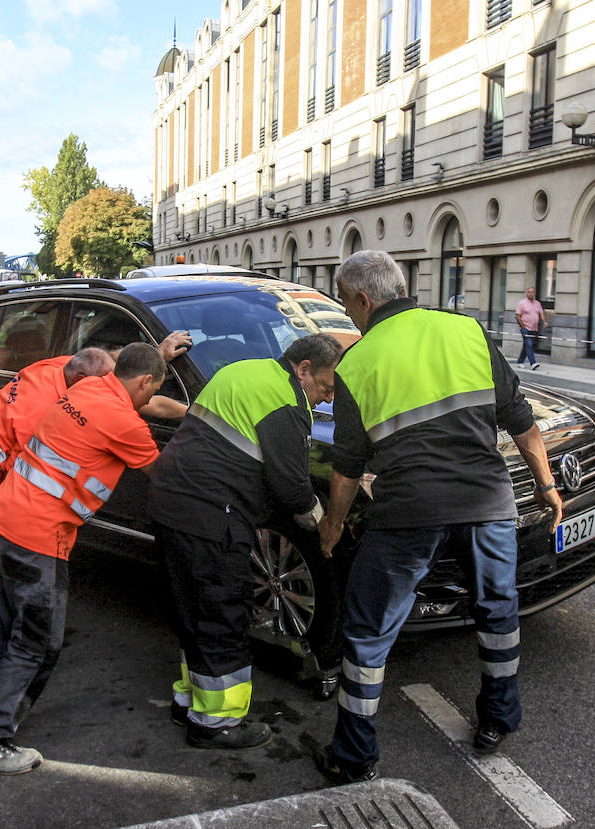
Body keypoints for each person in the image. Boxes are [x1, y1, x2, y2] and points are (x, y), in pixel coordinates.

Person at [312, 250, 563, 784]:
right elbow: (521, 422)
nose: (348, 314)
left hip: (409, 511)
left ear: (362, 299)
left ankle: (354, 757)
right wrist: (545, 485)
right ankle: (498, 720)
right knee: (497, 612)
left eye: (344, 302)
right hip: (486, 503)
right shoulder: (466, 331)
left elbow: (349, 466)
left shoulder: (355, 363)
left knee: (369, 630)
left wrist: (332, 524)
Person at [0, 343, 166, 775]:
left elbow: (141, 392)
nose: (149, 405)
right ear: (144, 382)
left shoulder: (79, 388)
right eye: (149, 395)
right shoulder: (124, 422)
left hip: (2, 519)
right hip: (39, 537)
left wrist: (166, 370)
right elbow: (168, 475)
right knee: (35, 643)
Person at [0, 335, 190, 676]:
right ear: (86, 384)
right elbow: (28, 492)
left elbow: (124, 380)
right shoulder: (37, 414)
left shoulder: (66, 368)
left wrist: (158, 360)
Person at [148, 333, 343, 750]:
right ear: (303, 369)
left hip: (170, 501)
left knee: (193, 608)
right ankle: (216, 723)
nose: (326, 399)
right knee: (223, 613)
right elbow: (292, 487)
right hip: (210, 516)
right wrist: (325, 525)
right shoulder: (286, 403)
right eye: (326, 387)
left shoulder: (242, 371)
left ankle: (190, 703)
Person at [516, 286, 549, 369]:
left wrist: (545, 321)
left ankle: (520, 361)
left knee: (527, 345)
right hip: (525, 328)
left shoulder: (537, 303)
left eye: (532, 292)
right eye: (529, 292)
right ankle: (533, 363)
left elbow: (541, 313)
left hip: (534, 329)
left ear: (534, 293)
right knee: (529, 344)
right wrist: (523, 326)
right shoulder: (522, 303)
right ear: (527, 293)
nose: (531, 294)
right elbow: (518, 315)